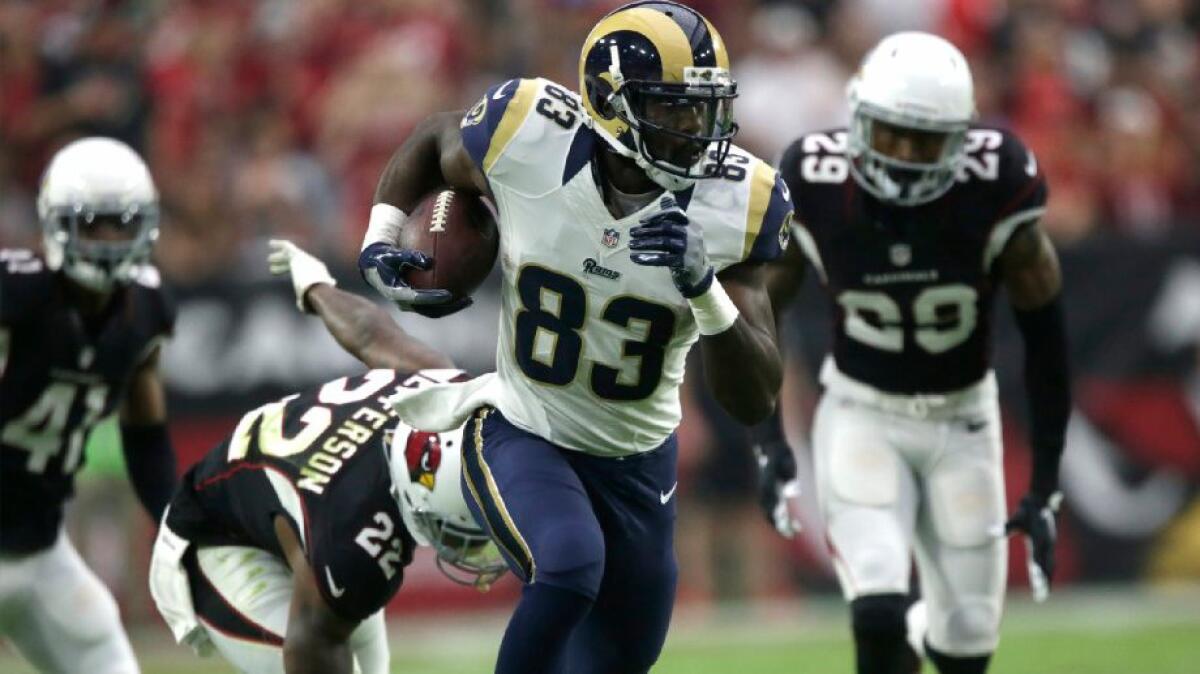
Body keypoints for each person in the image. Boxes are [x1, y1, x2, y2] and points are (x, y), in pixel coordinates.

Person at [356, 2, 793, 671]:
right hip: (526, 428)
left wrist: (702, 284)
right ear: (613, 104)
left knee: (618, 657)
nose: (696, 131)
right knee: (566, 566)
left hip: (639, 462)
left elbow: (754, 397)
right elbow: (434, 140)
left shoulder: (740, 203)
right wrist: (380, 236)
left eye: (703, 109)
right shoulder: (529, 134)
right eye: (673, 109)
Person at [753, 32, 1071, 674]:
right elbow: (762, 314)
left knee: (967, 643)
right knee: (875, 608)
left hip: (962, 420)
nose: (901, 156)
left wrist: (1044, 485)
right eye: (890, 133)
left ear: (961, 139)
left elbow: (1047, 338)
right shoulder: (813, 180)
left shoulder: (997, 180)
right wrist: (769, 440)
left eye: (923, 141)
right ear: (858, 118)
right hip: (863, 414)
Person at [148, 240, 507, 674]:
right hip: (219, 542)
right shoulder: (350, 528)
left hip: (309, 518)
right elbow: (310, 644)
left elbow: (373, 333)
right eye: (459, 531)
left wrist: (314, 286)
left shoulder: (440, 394)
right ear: (418, 496)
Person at [0, 137, 176, 674]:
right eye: (94, 223)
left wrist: (179, 528)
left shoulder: (145, 311)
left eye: (122, 224)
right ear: (57, 224)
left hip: (41, 546)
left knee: (110, 660)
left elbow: (146, 438)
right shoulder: (16, 297)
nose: (108, 239)